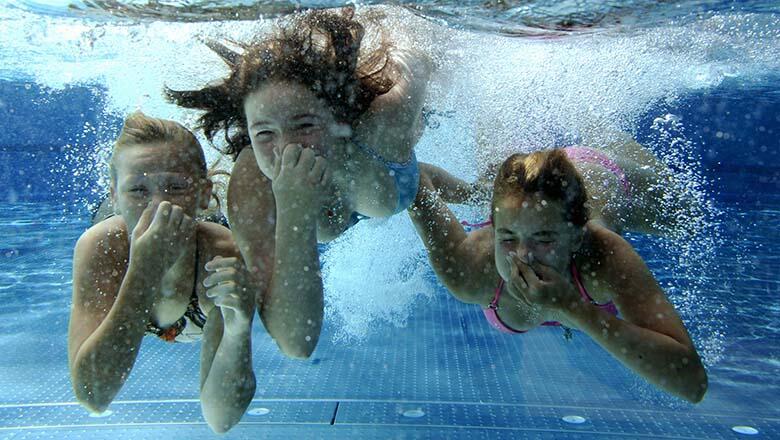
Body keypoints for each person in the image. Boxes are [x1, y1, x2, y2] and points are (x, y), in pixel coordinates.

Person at [168, 8, 433, 358]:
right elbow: (297, 342)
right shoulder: (253, 184)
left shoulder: (384, 124)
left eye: (305, 125)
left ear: (336, 117)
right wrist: (294, 210)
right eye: (264, 132)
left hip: (389, 153)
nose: (287, 147)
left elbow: (419, 64)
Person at [409, 146, 709, 403]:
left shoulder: (603, 258)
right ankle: (493, 195)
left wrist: (573, 307)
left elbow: (693, 384)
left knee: (693, 218)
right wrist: (470, 192)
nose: (524, 255)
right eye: (508, 237)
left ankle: (599, 123)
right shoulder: (471, 270)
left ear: (576, 238)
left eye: (543, 238)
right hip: (535, 198)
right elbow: (414, 177)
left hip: (600, 176)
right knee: (496, 185)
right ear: (493, 226)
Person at [68, 112, 256, 433]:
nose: (159, 205)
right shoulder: (102, 248)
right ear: (114, 196)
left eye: (175, 186)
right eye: (138, 191)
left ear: (202, 194)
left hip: (201, 244)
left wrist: (238, 329)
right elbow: (93, 396)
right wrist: (144, 268)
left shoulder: (221, 255)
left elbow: (220, 419)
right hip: (120, 234)